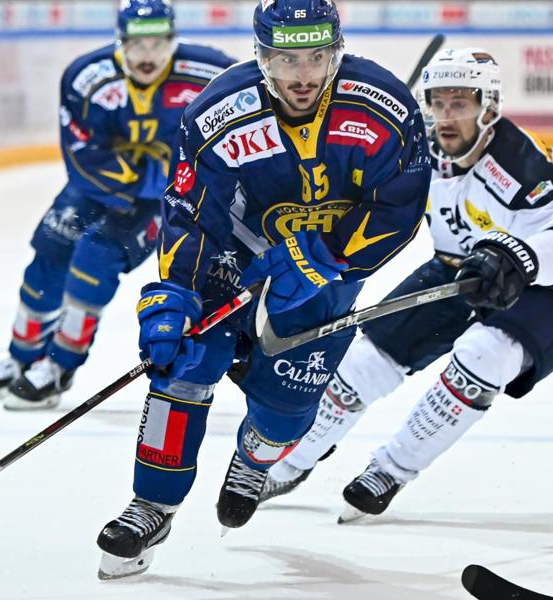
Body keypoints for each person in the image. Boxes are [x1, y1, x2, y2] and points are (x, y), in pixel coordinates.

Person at [94, 0, 432, 579]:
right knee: (184, 361)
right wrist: (176, 295)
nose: (303, 76)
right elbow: (192, 215)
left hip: (327, 269)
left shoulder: (384, 110)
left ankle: (254, 458)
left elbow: (400, 205)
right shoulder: (218, 113)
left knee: (287, 408)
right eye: (286, 59)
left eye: (317, 58)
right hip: (236, 256)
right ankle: (152, 503)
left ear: (336, 52)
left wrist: (325, 257)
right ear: (261, 57)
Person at [260, 47, 553, 523]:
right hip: (460, 267)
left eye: (460, 103)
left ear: (489, 107)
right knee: (364, 361)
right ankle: (292, 461)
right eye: (438, 103)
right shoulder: (416, 149)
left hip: (551, 286)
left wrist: (520, 256)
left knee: (485, 354)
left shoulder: (518, 159)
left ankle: (393, 468)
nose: (447, 116)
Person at [0, 0, 235, 410]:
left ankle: (58, 367)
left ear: (173, 40)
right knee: (49, 252)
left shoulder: (213, 74)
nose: (147, 56)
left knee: (96, 256)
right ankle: (20, 358)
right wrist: (143, 176)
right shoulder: (87, 77)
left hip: (169, 199)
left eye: (158, 43)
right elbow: (80, 155)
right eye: (137, 44)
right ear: (119, 42)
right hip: (100, 188)